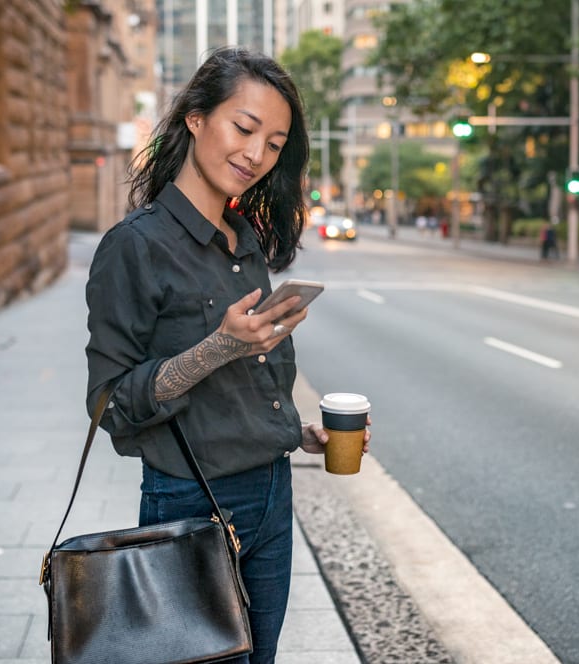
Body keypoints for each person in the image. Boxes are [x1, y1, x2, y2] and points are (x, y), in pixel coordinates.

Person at [84, 47, 370, 664]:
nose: (256, 155)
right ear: (195, 118)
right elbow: (110, 403)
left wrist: (301, 433)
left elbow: (244, 385)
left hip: (271, 491)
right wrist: (218, 346)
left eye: (274, 143)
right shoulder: (135, 246)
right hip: (192, 500)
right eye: (244, 129)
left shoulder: (243, 242)